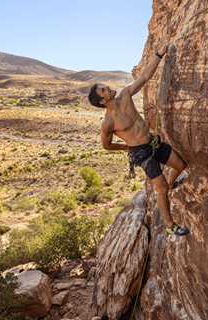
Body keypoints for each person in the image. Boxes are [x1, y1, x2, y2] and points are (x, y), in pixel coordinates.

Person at [88, 43, 189, 236]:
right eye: (104, 89)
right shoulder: (107, 122)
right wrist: (126, 147)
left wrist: (159, 54)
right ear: (102, 101)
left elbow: (144, 76)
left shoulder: (125, 95)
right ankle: (170, 224)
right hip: (142, 154)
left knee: (180, 165)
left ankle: (171, 183)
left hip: (153, 142)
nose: (108, 87)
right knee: (160, 190)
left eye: (105, 86)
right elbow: (106, 145)